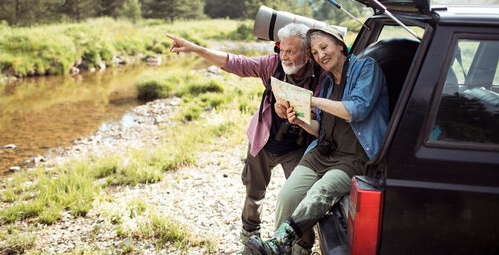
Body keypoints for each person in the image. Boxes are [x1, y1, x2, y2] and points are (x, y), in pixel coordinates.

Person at [166, 23, 325, 255]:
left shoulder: (321, 77)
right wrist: (196, 49)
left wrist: (297, 116)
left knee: (299, 197)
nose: (285, 56)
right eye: (282, 50)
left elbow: (323, 123)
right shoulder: (272, 64)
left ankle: (301, 246)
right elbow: (236, 63)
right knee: (254, 193)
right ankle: (250, 240)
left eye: (291, 51)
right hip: (263, 142)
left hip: (298, 147)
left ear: (308, 53)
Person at [247, 25, 389, 255]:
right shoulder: (327, 83)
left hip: (354, 157)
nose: (320, 55)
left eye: (324, 47)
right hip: (323, 151)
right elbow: (320, 129)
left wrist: (312, 101)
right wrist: (299, 120)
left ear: (340, 45)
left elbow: (356, 110)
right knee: (287, 196)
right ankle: (282, 249)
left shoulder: (366, 68)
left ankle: (277, 244)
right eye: (314, 52)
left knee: (321, 192)